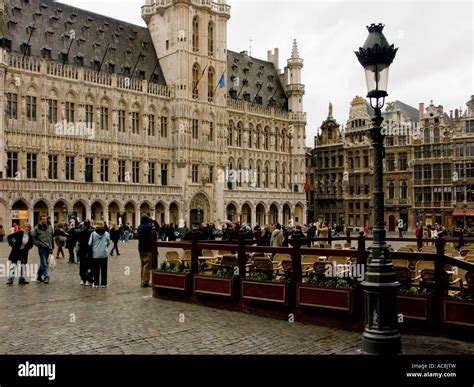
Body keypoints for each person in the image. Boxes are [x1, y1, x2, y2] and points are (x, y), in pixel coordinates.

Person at [32, 215, 54, 284]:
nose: (45, 220)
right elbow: (33, 238)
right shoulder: (37, 228)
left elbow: (51, 238)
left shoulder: (50, 227)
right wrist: (38, 244)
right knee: (44, 262)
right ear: (40, 220)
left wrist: (52, 247)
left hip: (48, 248)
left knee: (44, 263)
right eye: (43, 219)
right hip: (42, 248)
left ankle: (38, 276)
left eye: (45, 219)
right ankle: (46, 276)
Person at [88, 221, 110, 288]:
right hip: (104, 253)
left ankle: (96, 283)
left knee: (96, 269)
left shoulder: (93, 234)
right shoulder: (106, 233)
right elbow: (108, 242)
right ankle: (104, 283)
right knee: (104, 269)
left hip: (96, 254)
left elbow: (89, 243)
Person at [137, 216, 155, 287]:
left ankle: (142, 280)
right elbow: (157, 228)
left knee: (143, 265)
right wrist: (153, 221)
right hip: (148, 248)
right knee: (147, 265)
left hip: (141, 248)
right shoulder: (149, 227)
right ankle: (145, 281)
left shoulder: (139, 227)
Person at [78, 220, 94, 285]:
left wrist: (80, 225)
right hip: (89, 249)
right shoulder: (92, 231)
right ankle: (88, 279)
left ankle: (82, 279)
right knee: (89, 264)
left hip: (82, 249)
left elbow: (73, 231)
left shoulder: (80, 231)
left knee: (82, 265)